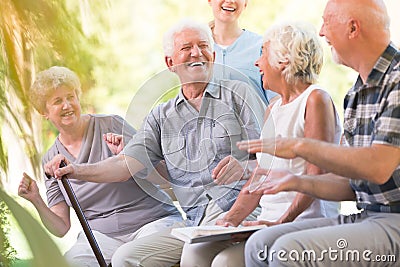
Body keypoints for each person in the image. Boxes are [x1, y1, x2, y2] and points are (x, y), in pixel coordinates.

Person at [44, 19, 264, 267]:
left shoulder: (239, 94)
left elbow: (271, 157)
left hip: (243, 209)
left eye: (203, 46)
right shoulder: (161, 116)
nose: (196, 53)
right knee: (126, 258)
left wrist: (244, 166)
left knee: (203, 258)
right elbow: (124, 165)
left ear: (213, 55)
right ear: (170, 63)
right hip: (193, 223)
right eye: (186, 48)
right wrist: (76, 170)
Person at [237, 0, 400, 266]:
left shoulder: (396, 81)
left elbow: (379, 167)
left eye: (327, 21)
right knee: (260, 245)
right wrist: (295, 181)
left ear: (352, 28)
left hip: (395, 219)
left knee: (288, 251)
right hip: (368, 215)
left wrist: (300, 146)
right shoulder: (356, 93)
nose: (321, 33)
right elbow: (352, 185)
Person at [180, 20, 342, 267]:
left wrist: (279, 223)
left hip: (305, 223)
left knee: (226, 262)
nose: (257, 63)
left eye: (263, 54)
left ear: (283, 60)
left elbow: (315, 177)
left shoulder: (315, 99)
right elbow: (259, 176)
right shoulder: (273, 109)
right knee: (196, 253)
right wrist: (230, 220)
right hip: (269, 223)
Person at [18, 66, 182, 267]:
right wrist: (36, 199)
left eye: (71, 96)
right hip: (103, 238)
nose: (67, 105)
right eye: (58, 101)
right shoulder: (50, 159)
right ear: (44, 112)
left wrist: (129, 154)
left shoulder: (111, 124)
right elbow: (61, 227)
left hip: (151, 222)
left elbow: (162, 173)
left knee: (126, 259)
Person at [208, 0, 277, 104]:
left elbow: (276, 100)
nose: (230, 1)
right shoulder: (196, 49)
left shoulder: (262, 47)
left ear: (245, 3)